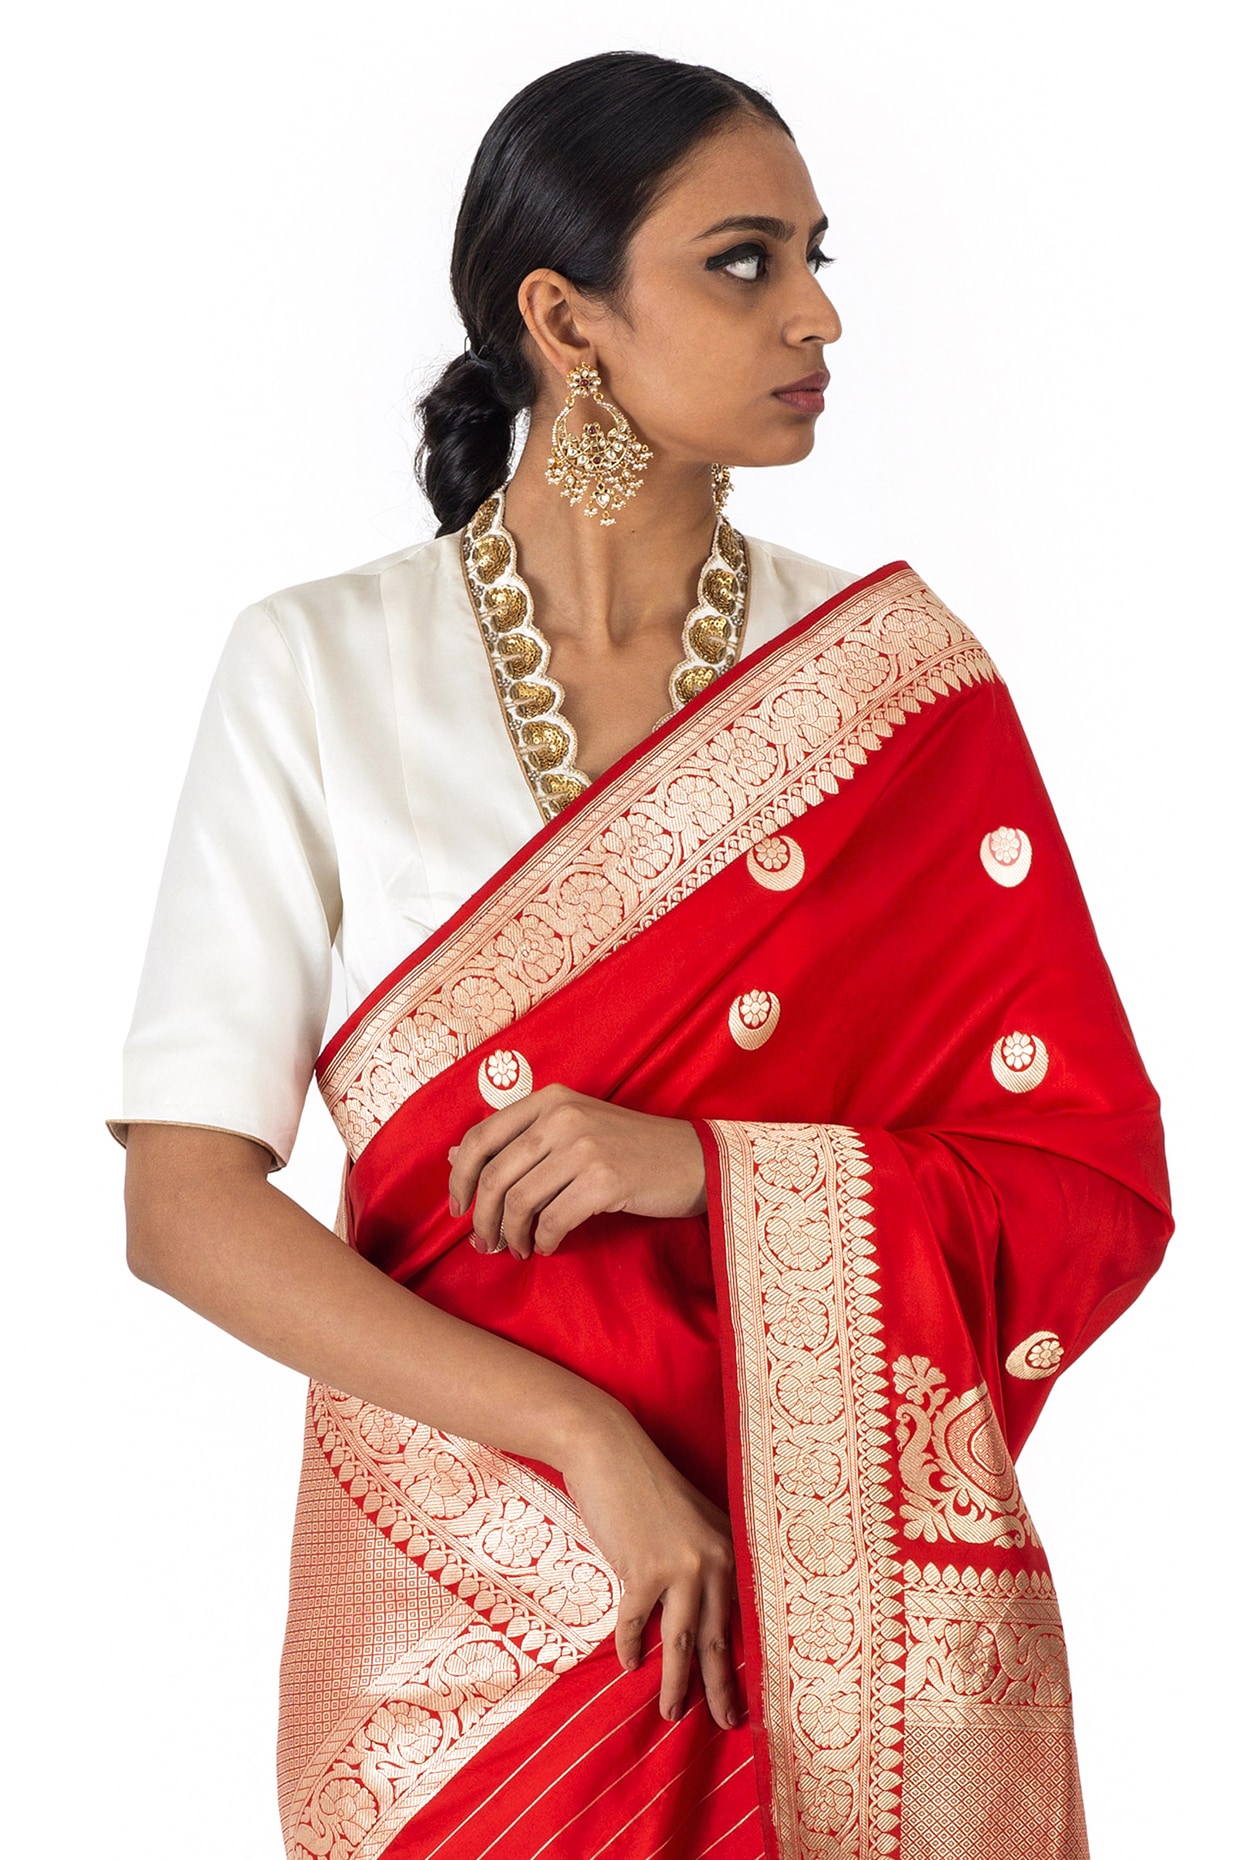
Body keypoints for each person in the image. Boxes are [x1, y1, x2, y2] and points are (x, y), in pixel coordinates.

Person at [113, 48, 1173, 1860]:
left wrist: (700, 1164)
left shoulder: (891, 692)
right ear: (566, 317)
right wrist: (589, 1446)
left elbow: (1081, 1172)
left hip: (816, 1602)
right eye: (744, 261)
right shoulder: (319, 665)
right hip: (468, 1596)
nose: (820, 313)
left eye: (817, 255)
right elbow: (184, 1202)